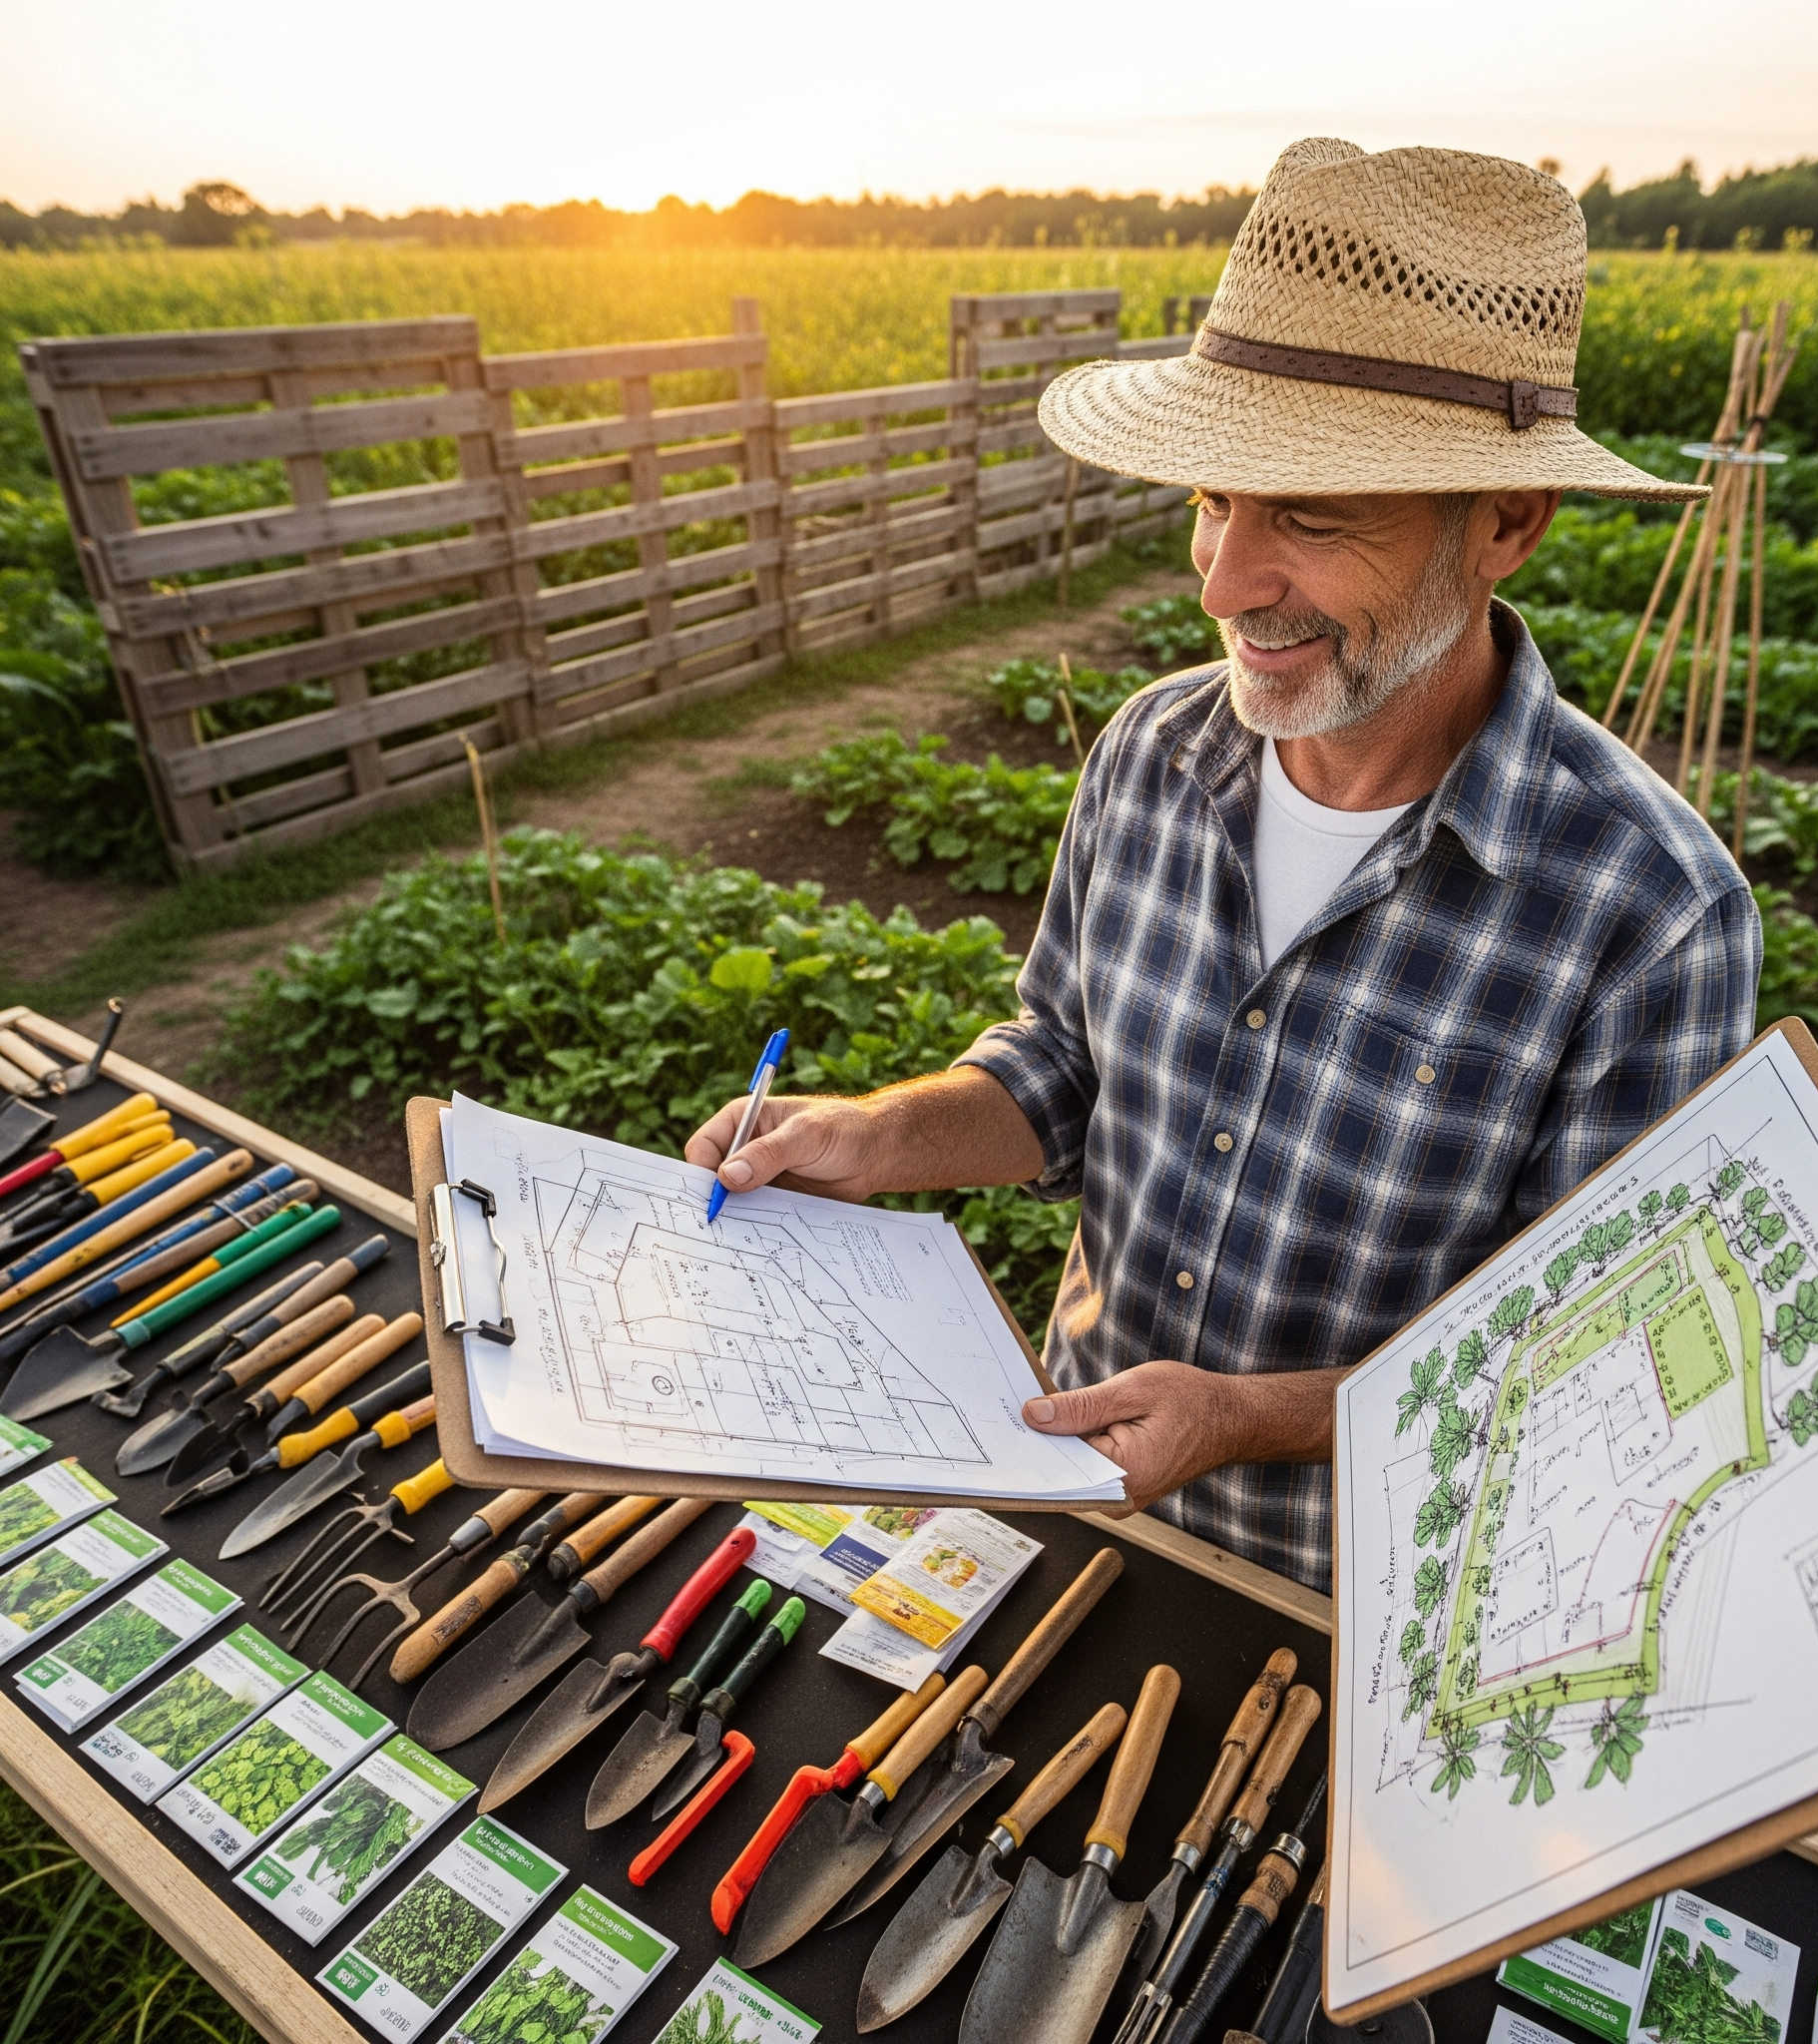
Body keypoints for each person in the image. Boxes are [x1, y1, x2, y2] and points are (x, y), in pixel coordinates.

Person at [686, 141, 1760, 1593]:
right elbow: (1058, 1064)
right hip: (1069, 1499)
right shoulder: (1150, 753)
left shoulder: (1648, 914)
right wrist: (880, 1138)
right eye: (1212, 502)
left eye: (1309, 517)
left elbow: (1577, 1363)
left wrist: (1243, 1417)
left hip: (1348, 1599)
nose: (1224, 582)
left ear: (1506, 524)